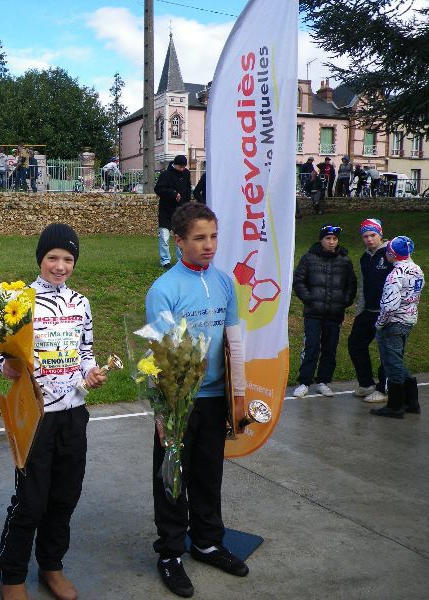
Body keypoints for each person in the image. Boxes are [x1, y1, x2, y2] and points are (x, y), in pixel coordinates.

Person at [0, 223, 107, 600]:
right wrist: (4, 365)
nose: (60, 266)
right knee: (31, 500)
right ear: (40, 258)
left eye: (68, 259)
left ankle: (51, 566)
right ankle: (12, 576)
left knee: (64, 496)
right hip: (35, 416)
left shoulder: (80, 303)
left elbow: (85, 350)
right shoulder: (19, 300)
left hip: (73, 414)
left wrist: (90, 371)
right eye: (53, 258)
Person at [145, 203, 248, 599]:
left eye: (214, 237)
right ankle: (170, 552)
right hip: (176, 401)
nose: (209, 246)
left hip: (214, 399)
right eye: (200, 238)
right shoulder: (164, 290)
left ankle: (207, 542)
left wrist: (237, 393)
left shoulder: (224, 283)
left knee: (208, 472)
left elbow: (233, 340)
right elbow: (163, 354)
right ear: (179, 241)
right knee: (173, 478)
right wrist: (164, 408)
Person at [292, 225, 357, 398]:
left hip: (334, 314)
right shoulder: (308, 258)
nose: (331, 242)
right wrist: (309, 298)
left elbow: (351, 285)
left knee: (330, 348)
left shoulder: (345, 261)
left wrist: (343, 302)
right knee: (311, 346)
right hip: (313, 312)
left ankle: (323, 381)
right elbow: (298, 281)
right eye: (328, 238)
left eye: (334, 239)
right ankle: (304, 382)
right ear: (321, 239)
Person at [370, 236, 424, 419]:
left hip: (393, 324)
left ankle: (395, 406)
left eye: (388, 251)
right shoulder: (417, 270)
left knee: (392, 364)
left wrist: (380, 323)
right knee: (398, 360)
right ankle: (411, 401)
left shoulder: (395, 275)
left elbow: (389, 305)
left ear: (392, 254)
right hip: (409, 320)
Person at [348, 219, 393, 403]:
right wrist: (360, 310)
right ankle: (366, 384)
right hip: (368, 310)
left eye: (373, 235)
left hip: (387, 312)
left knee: (386, 351)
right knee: (355, 344)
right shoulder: (364, 257)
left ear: (380, 234)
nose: (369, 239)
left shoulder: (392, 252)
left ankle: (384, 389)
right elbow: (363, 285)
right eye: (365, 236)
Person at [154, 155, 192, 269]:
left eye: (184, 167)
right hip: (166, 211)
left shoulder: (186, 173)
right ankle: (165, 260)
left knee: (180, 237)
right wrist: (173, 194)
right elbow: (158, 189)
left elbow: (188, 189)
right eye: (180, 166)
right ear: (175, 164)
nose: (182, 169)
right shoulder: (165, 175)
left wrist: (185, 203)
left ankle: (182, 259)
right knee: (164, 237)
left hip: (180, 211)